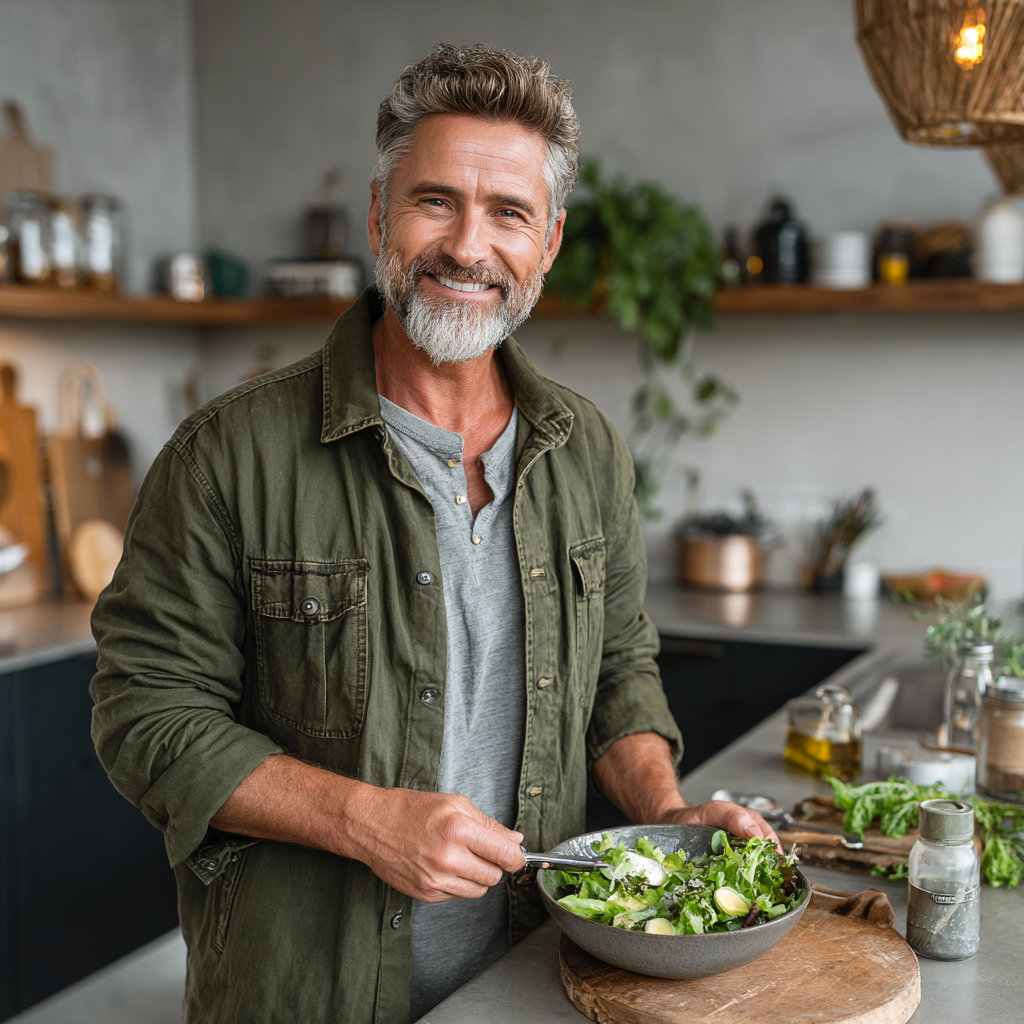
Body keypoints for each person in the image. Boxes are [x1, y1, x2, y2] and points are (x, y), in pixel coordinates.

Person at [90, 44, 777, 1024]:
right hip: (304, 996)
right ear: (379, 216)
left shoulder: (587, 452)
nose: (466, 246)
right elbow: (146, 715)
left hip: (538, 979)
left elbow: (618, 673)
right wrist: (364, 818)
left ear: (549, 242)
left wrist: (667, 815)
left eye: (508, 213)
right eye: (435, 201)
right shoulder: (228, 454)